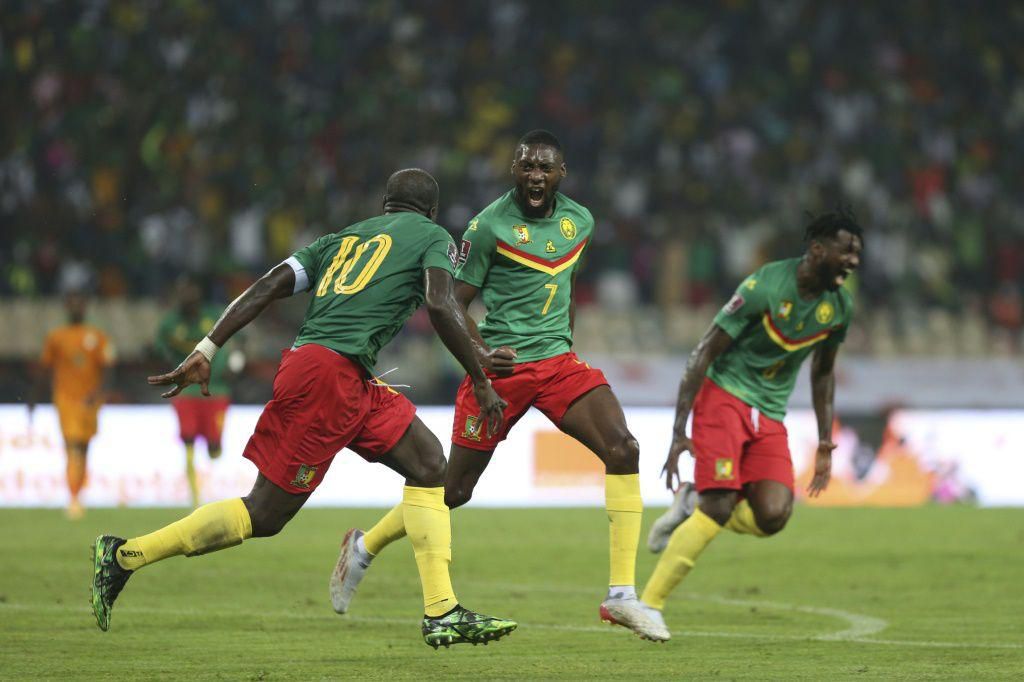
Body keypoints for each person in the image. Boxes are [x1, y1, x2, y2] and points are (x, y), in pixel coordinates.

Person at [90, 169, 518, 649]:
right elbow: (440, 304)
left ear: (385, 205)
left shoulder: (338, 239)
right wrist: (480, 374)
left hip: (343, 372)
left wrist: (208, 347)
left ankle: (441, 610)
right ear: (432, 213)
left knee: (429, 464)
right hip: (325, 377)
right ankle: (126, 555)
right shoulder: (434, 237)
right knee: (265, 514)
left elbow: (269, 285)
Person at [330, 131, 667, 642]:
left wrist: (564, 340)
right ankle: (364, 546)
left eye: (545, 168)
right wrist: (481, 364)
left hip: (557, 365)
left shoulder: (582, 221)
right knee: (452, 491)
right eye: (527, 167)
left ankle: (621, 595)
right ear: (514, 170)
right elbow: (452, 303)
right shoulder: (487, 226)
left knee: (624, 449)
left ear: (561, 174)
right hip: (501, 370)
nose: (535, 176)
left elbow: (565, 285)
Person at [640, 209, 863, 622]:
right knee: (720, 506)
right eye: (845, 251)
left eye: (857, 254)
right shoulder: (763, 287)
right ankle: (648, 604)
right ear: (817, 250)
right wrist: (678, 431)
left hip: (770, 411)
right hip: (724, 395)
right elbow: (703, 352)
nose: (853, 261)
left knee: (774, 515)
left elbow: (824, 371)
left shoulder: (839, 308)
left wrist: (826, 442)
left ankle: (691, 501)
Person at [155, 278, 238, 508]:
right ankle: (195, 499)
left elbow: (236, 341)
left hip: (217, 389)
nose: (188, 299)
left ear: (199, 296)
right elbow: (158, 346)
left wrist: (233, 362)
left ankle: (214, 446)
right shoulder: (170, 324)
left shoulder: (214, 316)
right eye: (183, 294)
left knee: (214, 448)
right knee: (188, 438)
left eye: (191, 294)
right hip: (185, 392)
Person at [33, 291, 115, 519]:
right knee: (72, 446)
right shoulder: (56, 337)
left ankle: (79, 493)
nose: (76, 308)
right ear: (67, 308)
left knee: (84, 447)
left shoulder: (97, 336)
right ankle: (73, 497)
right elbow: (44, 369)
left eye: (80, 304)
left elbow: (109, 367)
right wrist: (33, 399)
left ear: (85, 308)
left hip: (90, 400)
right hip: (65, 399)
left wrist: (100, 392)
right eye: (73, 305)